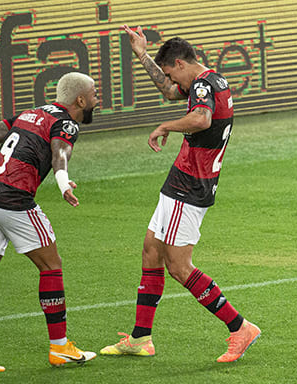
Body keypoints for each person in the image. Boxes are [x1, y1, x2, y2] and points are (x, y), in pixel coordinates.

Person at [100, 26, 260, 363]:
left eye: (174, 73)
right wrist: (142, 54)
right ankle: (141, 338)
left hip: (190, 186)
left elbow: (201, 119)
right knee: (150, 252)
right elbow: (172, 92)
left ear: (181, 63)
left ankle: (239, 327)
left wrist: (164, 126)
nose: (175, 83)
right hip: (182, 180)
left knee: (178, 266)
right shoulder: (212, 80)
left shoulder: (201, 86)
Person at [0, 71, 99, 374]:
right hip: (13, 201)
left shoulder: (31, 113)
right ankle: (60, 348)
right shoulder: (66, 122)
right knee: (51, 265)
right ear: (80, 100)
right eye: (94, 94)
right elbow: (59, 154)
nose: (96, 100)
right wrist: (63, 184)